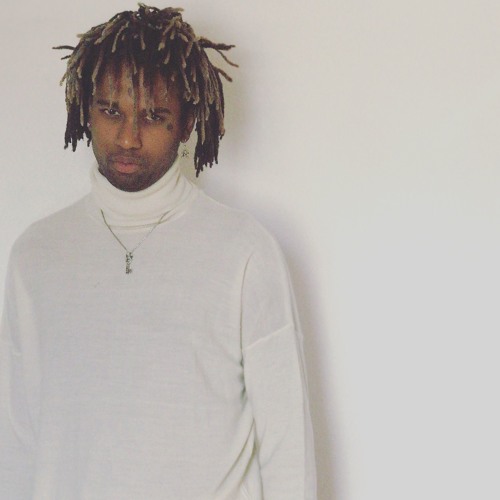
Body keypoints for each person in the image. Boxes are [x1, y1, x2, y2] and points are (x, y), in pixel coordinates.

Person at [0, 5, 316, 499]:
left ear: (187, 122)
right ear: (85, 109)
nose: (128, 137)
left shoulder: (244, 252)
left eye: (153, 116)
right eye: (111, 111)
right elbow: (17, 443)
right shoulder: (36, 256)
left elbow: (287, 447)